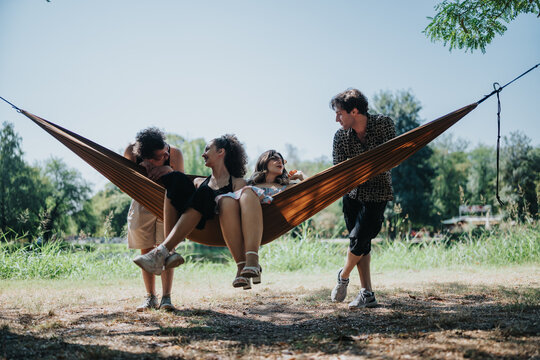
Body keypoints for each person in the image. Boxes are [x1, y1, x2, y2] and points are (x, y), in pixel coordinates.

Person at [132, 134, 248, 280]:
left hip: (216, 223)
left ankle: (162, 251)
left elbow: (243, 211)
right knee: (178, 178)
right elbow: (178, 194)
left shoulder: (238, 182)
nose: (203, 154)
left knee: (206, 192)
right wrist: (167, 171)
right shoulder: (199, 181)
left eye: (207, 149)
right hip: (193, 222)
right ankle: (169, 252)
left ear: (221, 152)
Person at [329, 88, 396, 309]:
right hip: (352, 194)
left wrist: (367, 168)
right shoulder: (340, 136)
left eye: (340, 113)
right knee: (361, 243)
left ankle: (343, 275)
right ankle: (367, 294)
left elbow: (392, 157)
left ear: (355, 110)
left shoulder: (383, 124)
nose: (337, 119)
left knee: (359, 239)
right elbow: (338, 169)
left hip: (377, 191)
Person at [215, 150, 304, 289]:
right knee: (239, 194)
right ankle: (245, 265)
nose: (279, 161)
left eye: (281, 159)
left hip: (273, 220)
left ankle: (251, 261)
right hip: (243, 224)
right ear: (263, 162)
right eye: (274, 158)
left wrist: (301, 176)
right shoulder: (248, 185)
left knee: (247, 191)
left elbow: (315, 189)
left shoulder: (287, 187)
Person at [124, 127, 184, 312]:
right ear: (147, 157)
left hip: (169, 203)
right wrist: (139, 172)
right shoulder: (131, 152)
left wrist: (168, 169)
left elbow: (182, 183)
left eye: (165, 152)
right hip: (142, 203)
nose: (165, 155)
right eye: (159, 157)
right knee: (147, 248)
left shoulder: (174, 153)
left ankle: (167, 298)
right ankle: (150, 297)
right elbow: (124, 181)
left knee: (166, 248)